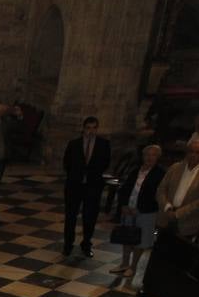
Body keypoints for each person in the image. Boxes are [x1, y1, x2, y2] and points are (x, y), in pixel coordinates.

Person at [112, 145, 165, 285]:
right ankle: (124, 263)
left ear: (157, 158)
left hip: (146, 212)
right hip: (129, 209)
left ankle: (133, 266)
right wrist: (123, 204)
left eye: (152, 155)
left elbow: (157, 195)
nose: (149, 158)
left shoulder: (160, 174)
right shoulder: (136, 170)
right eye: (146, 155)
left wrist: (139, 208)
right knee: (126, 236)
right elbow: (125, 188)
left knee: (139, 241)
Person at [62, 116, 111, 257]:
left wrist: (92, 175)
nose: (91, 131)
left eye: (94, 128)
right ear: (84, 128)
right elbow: (67, 163)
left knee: (90, 217)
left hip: (93, 186)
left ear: (97, 129)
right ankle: (68, 244)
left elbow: (105, 163)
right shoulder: (74, 144)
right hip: (74, 185)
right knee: (71, 216)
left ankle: (86, 244)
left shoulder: (104, 144)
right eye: (88, 128)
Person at [156, 140, 199, 239]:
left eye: (198, 152)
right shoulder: (175, 168)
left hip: (187, 221)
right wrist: (167, 206)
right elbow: (161, 189)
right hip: (166, 215)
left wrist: (178, 214)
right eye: (191, 151)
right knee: (159, 249)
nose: (193, 155)